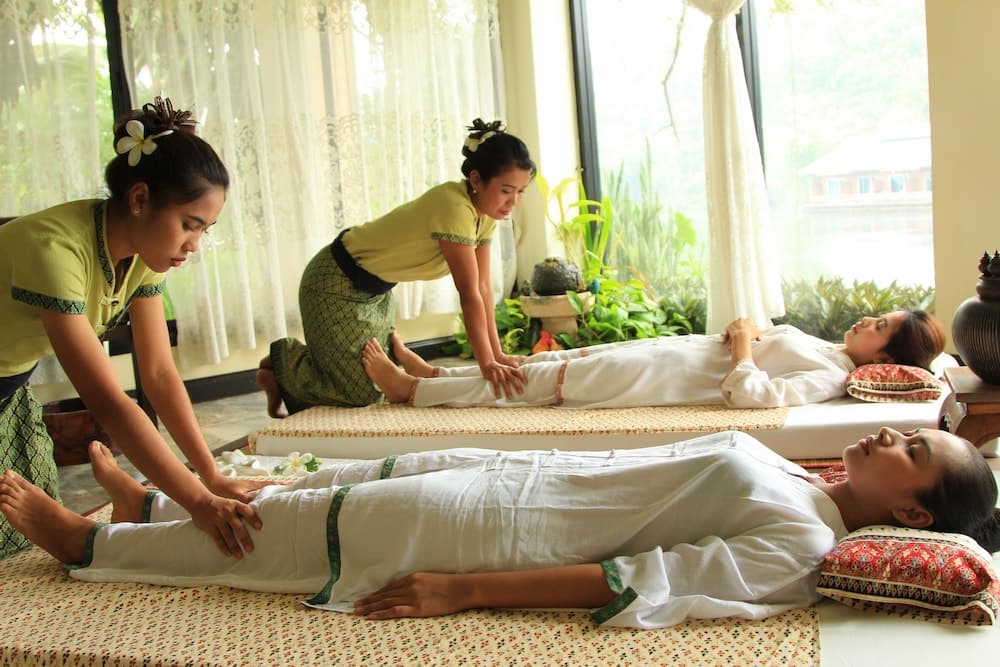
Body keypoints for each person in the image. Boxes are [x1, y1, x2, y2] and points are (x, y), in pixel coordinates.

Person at [1, 427, 997, 629]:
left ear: (912, 513)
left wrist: (462, 590)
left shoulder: (803, 546)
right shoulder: (801, 478)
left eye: (910, 446)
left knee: (299, 533)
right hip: (516, 472)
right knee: (323, 490)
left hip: (501, 527)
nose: (888, 433)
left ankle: (89, 546)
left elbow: (642, 580)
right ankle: (149, 507)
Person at [0, 97, 265, 561]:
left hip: (9, 382)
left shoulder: (144, 256)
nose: (194, 245)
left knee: (18, 541)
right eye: (189, 225)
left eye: (204, 230)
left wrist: (210, 476)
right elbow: (109, 402)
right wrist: (198, 502)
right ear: (140, 200)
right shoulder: (56, 250)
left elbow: (159, 373)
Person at [256, 119, 537, 418]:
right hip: (335, 283)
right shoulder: (454, 208)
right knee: (361, 395)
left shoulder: (487, 214)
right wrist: (486, 364)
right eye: (506, 190)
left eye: (521, 192)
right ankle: (282, 363)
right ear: (477, 180)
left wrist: (497, 355)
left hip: (376, 294)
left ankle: (294, 367)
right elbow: (468, 293)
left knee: (377, 382)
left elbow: (482, 287)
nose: (513, 202)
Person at [360, 310, 946, 409]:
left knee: (557, 380)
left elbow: (753, 396)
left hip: (670, 378)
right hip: (678, 353)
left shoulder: (830, 376)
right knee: (566, 360)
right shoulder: (830, 348)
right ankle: (439, 374)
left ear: (887, 356)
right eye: (877, 317)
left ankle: (413, 392)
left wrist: (744, 341)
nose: (867, 322)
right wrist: (743, 331)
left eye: (880, 329)